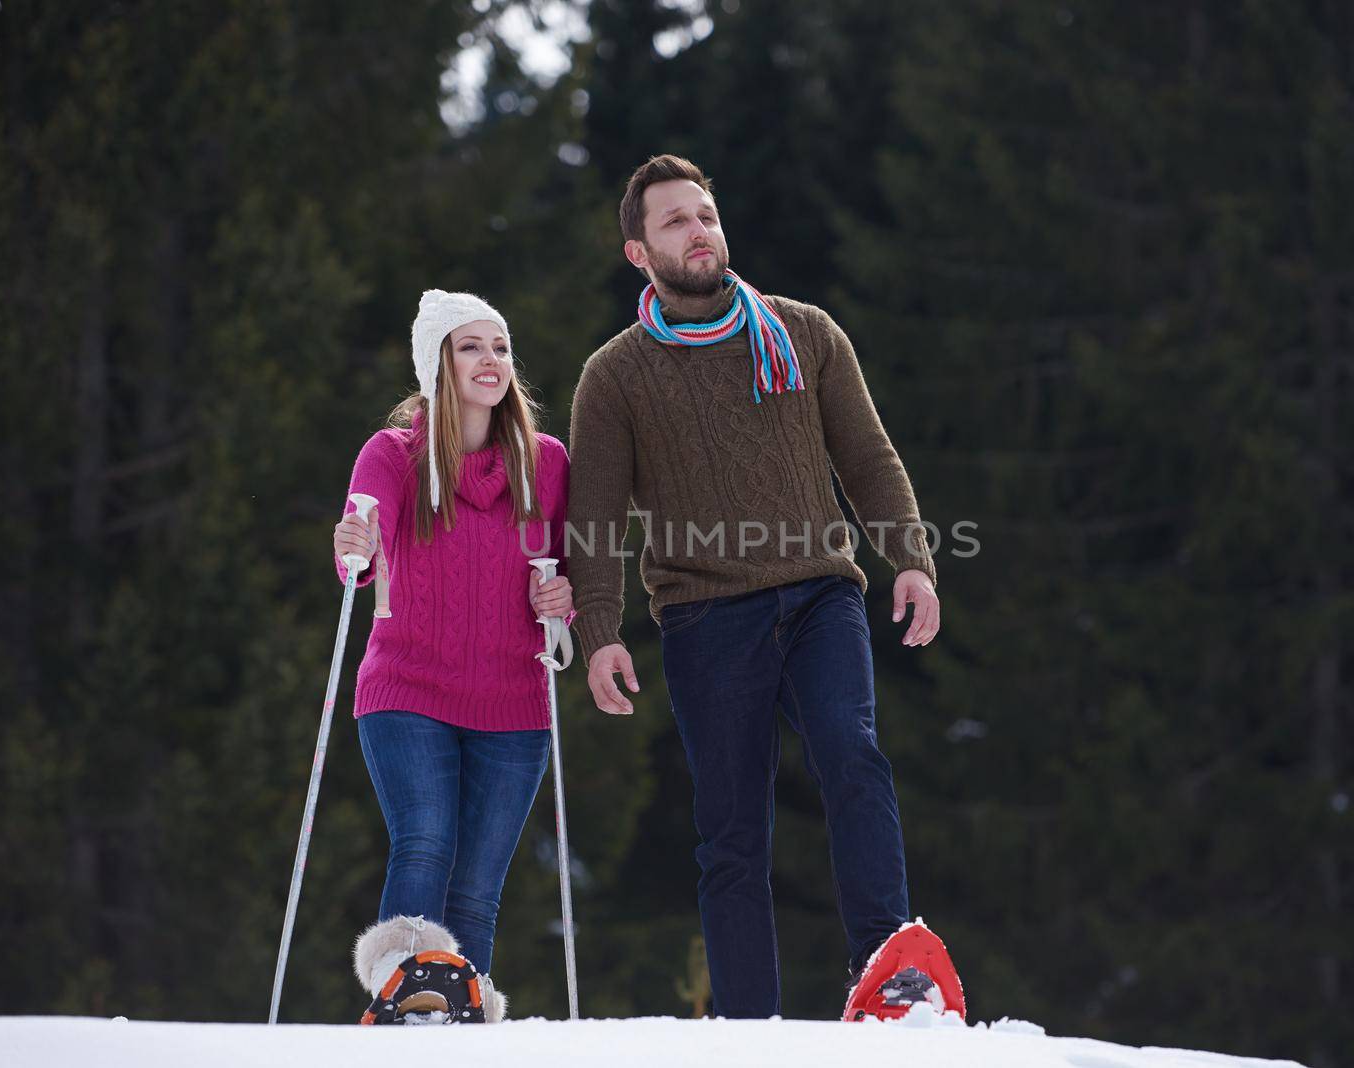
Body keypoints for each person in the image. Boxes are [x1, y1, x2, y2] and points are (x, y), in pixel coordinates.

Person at [566, 155, 942, 1018]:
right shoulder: (614, 376)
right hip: (704, 617)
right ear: (638, 252)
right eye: (674, 221)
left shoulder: (805, 332)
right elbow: (592, 518)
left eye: (705, 214)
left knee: (852, 755)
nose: (698, 231)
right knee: (732, 834)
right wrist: (601, 634)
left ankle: (891, 977)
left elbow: (868, 458)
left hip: (821, 596)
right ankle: (746, 1029)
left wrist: (912, 558)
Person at [334, 290, 574, 1020]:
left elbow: (564, 569)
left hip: (514, 700)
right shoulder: (393, 453)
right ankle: (409, 999)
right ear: (436, 362)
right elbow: (360, 541)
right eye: (471, 346)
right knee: (426, 839)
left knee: (477, 887)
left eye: (500, 347)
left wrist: (559, 601)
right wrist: (355, 549)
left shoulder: (548, 464)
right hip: (407, 686)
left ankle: (457, 1016)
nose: (491, 361)